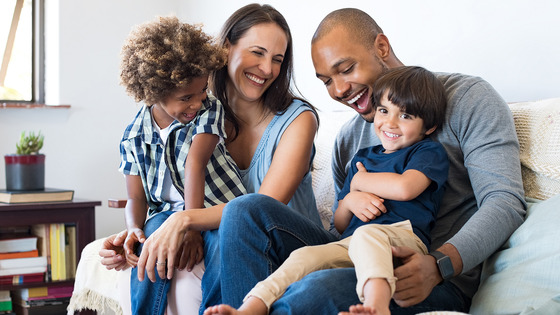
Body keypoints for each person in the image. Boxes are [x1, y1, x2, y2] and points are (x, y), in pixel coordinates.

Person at [206, 7, 526, 314]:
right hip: (355, 254)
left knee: (315, 290)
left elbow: (504, 202)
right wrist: (350, 201)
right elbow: (340, 230)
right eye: (326, 81)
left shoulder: (467, 98)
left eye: (346, 70)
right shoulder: (349, 138)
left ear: (382, 47)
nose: (340, 89)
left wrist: (439, 264)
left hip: (425, 272)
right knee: (244, 210)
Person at [99, 4, 332, 315]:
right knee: (159, 256)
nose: (266, 69)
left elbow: (259, 209)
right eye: (257, 53)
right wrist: (136, 233)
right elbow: (163, 189)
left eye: (277, 59)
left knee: (232, 228)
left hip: (285, 242)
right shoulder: (194, 110)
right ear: (225, 49)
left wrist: (185, 220)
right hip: (225, 233)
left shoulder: (297, 120)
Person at [204, 65, 449, 315]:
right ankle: (249, 308)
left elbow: (406, 188)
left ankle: (376, 307)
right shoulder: (362, 158)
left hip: (401, 240)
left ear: (428, 127)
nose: (390, 123)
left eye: (406, 116)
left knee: (368, 236)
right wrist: (350, 200)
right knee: (303, 257)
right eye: (384, 111)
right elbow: (341, 224)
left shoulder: (426, 151)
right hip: (351, 243)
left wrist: (359, 183)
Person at [116, 16, 246, 315]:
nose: (197, 103)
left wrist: (192, 228)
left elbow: (195, 164)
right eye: (186, 97)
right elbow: (136, 197)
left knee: (222, 246)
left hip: (217, 208)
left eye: (201, 92)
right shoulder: (133, 136)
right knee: (149, 245)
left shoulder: (208, 109)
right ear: (153, 92)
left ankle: (217, 310)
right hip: (165, 213)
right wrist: (134, 228)